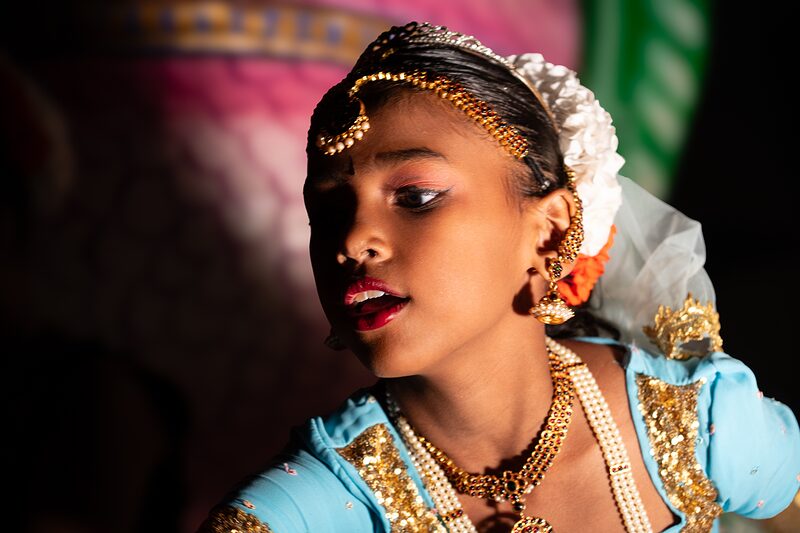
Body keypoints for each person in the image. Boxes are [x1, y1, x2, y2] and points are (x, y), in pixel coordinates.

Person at [198, 22, 800, 532]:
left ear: (548, 233)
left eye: (415, 196)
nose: (352, 241)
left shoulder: (703, 426)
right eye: (328, 210)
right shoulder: (315, 505)